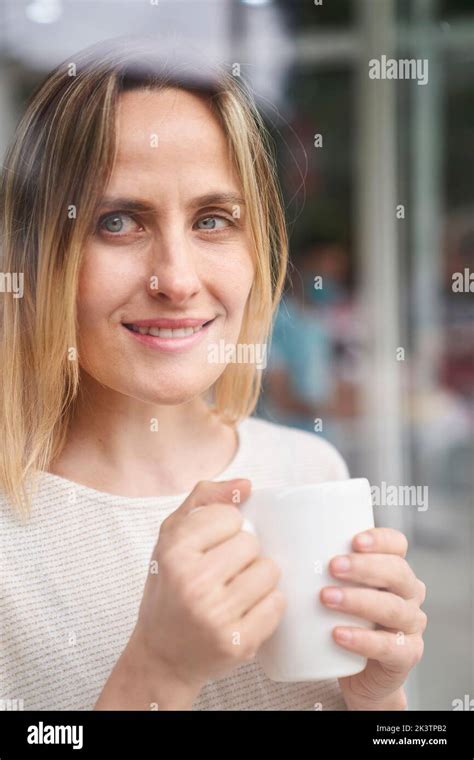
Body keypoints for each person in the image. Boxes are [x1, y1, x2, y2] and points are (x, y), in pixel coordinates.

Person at [0, 37, 427, 711]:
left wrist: (380, 698)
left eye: (212, 220)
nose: (177, 279)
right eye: (118, 222)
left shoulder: (310, 467)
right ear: (41, 250)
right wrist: (159, 672)